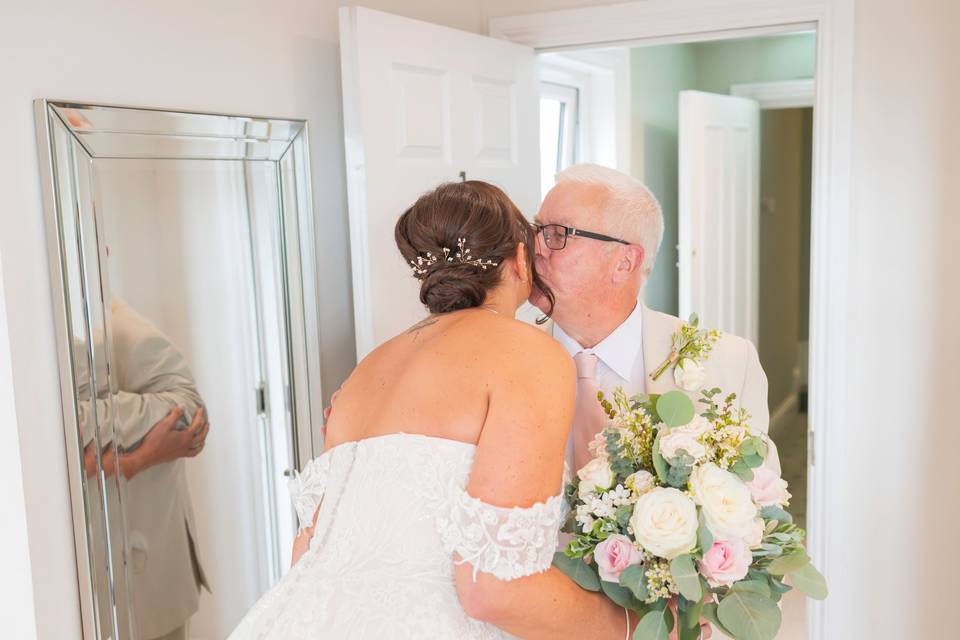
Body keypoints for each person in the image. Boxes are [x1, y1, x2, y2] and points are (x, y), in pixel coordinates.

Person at [230, 181, 636, 638]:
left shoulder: (368, 369)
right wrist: (632, 627)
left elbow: (309, 552)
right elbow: (494, 590)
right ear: (521, 259)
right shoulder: (528, 353)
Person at [531, 164, 781, 639]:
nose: (535, 248)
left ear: (625, 262)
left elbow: (755, 522)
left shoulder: (727, 361)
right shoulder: (499, 362)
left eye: (558, 234)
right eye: (536, 230)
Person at [79, 297, 211, 640]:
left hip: (147, 577)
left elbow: (190, 412)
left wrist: (79, 417)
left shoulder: (117, 327)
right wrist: (136, 458)